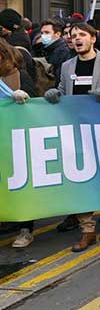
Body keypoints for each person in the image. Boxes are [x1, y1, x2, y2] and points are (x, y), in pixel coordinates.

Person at [43, 22, 100, 252]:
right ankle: (87, 230)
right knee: (81, 179)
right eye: (74, 36)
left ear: (93, 38)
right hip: (77, 130)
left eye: (82, 34)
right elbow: (63, 91)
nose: (77, 39)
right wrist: (55, 95)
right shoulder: (67, 65)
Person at [1, 38, 34, 248]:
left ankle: (25, 229)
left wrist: (23, 98)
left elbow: (36, 104)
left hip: (18, 139)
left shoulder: (18, 75)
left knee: (20, 182)